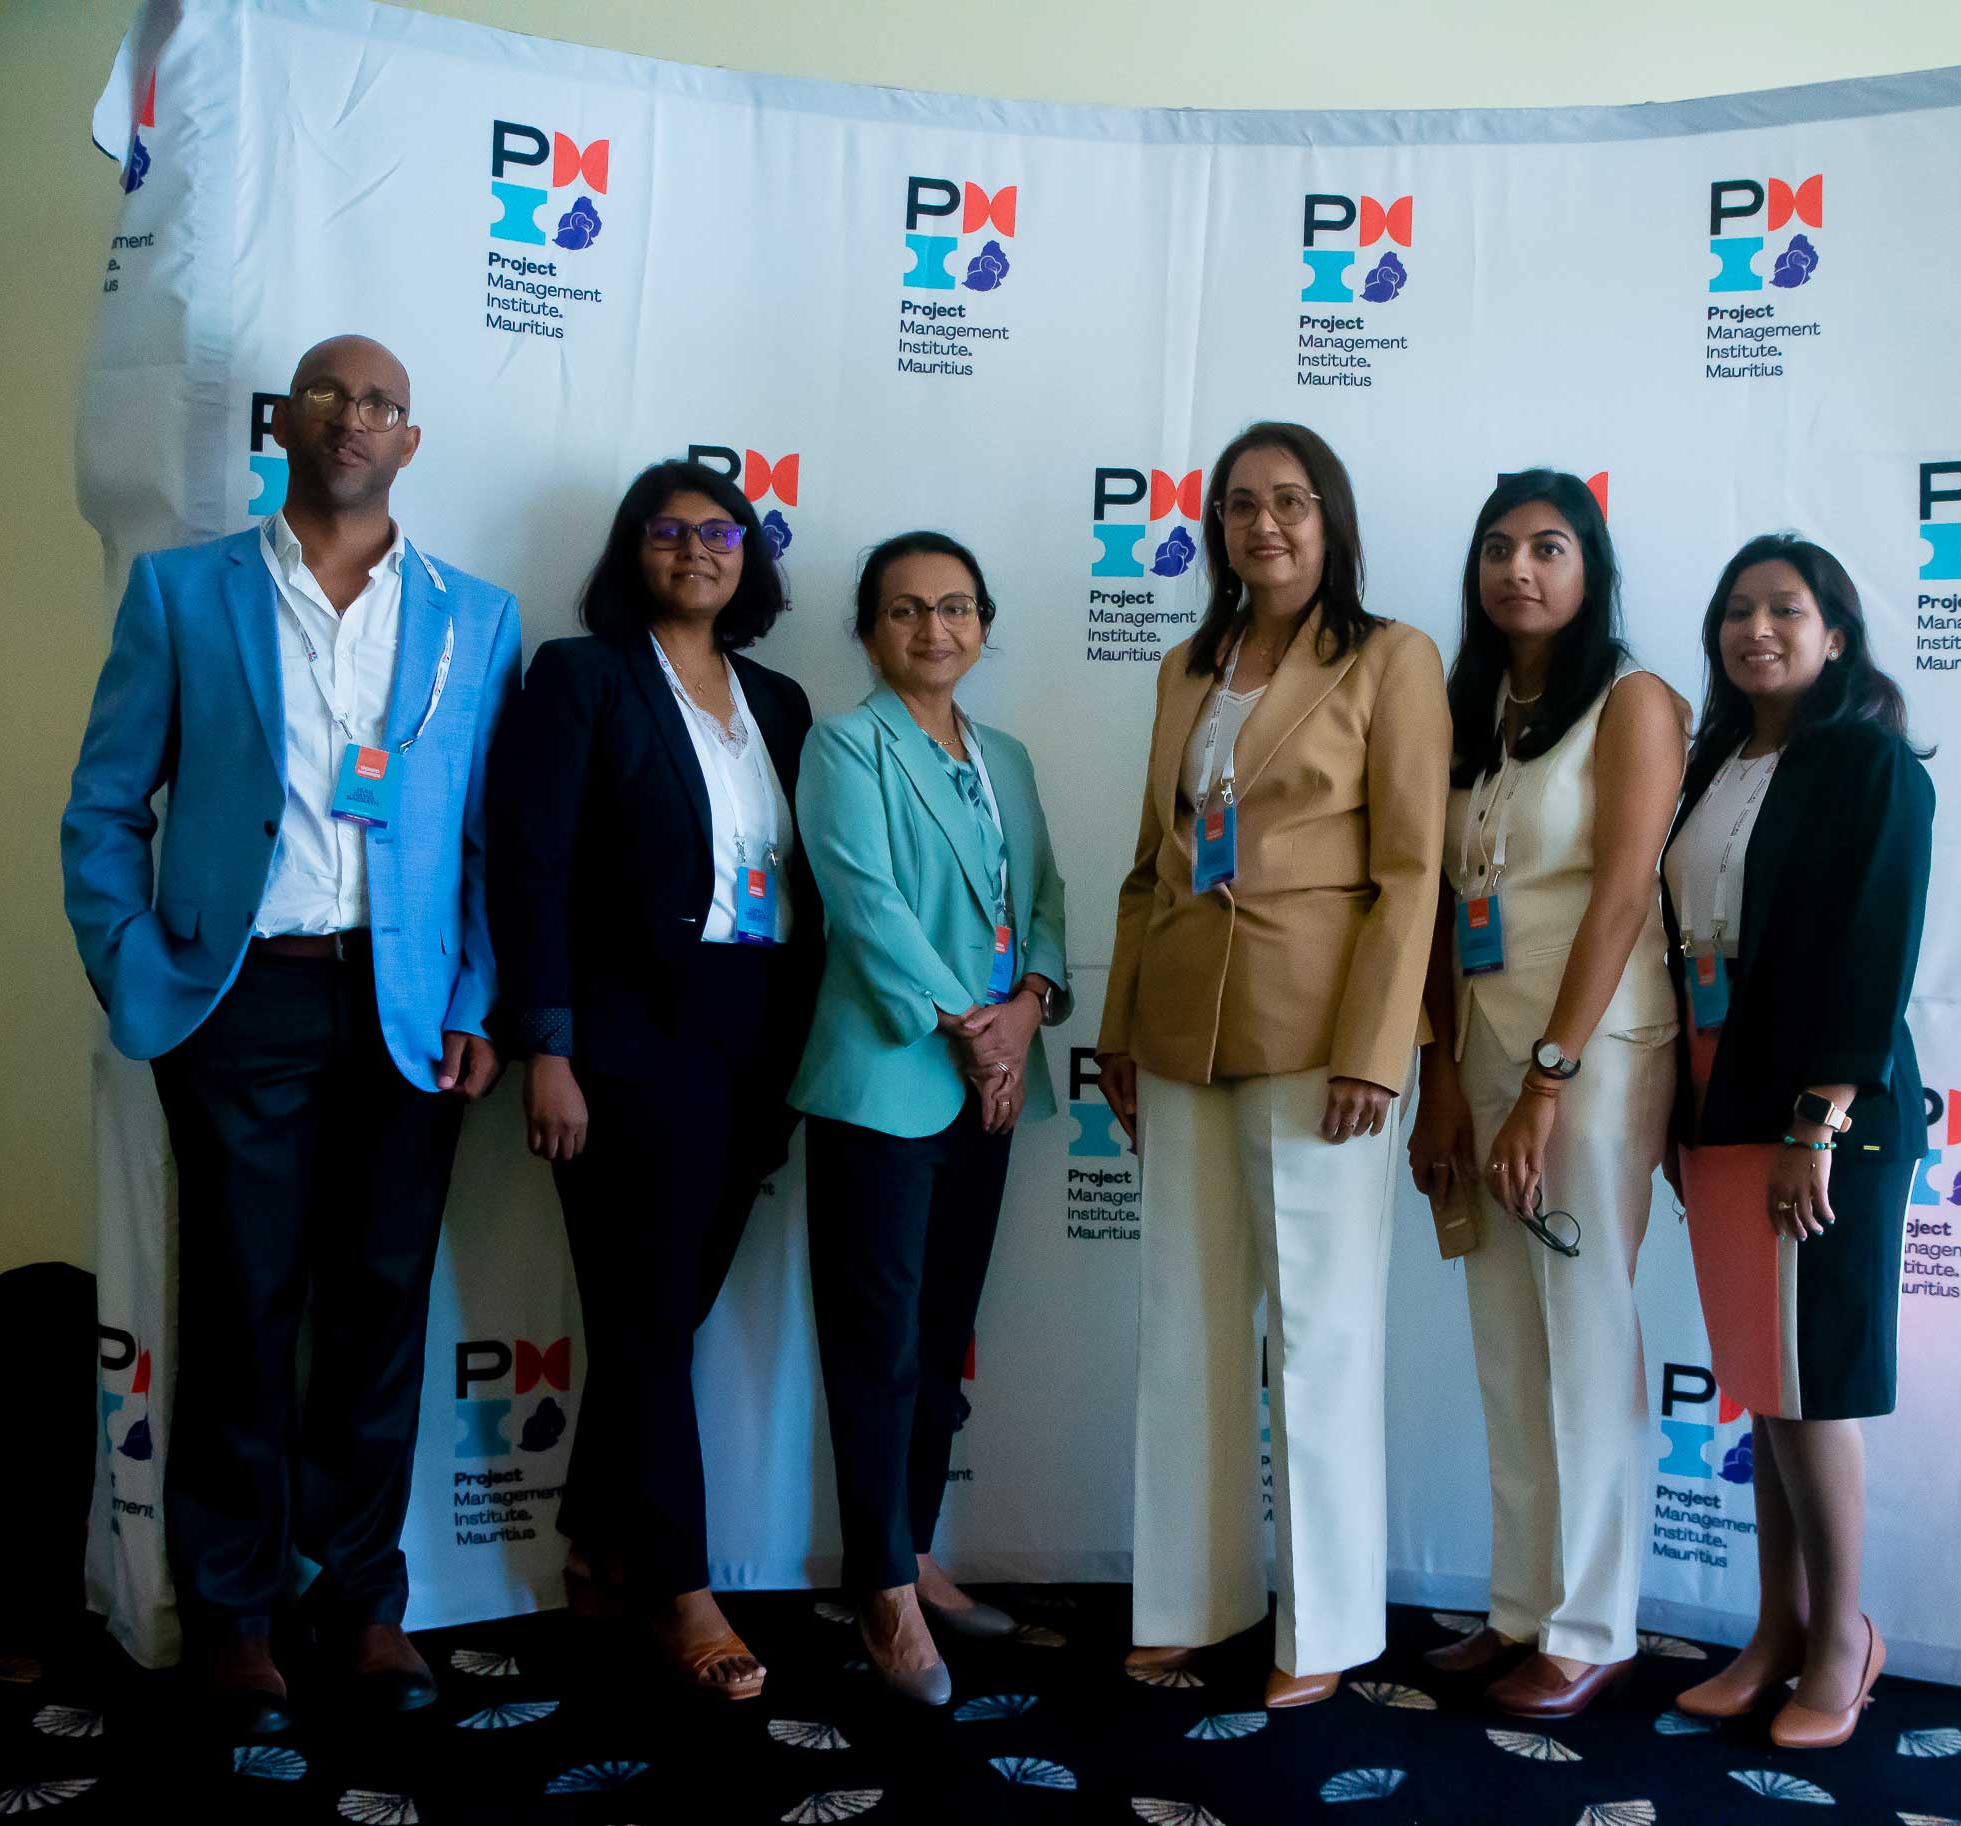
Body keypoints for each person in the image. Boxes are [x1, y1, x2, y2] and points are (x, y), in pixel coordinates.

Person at [61, 335, 522, 1735]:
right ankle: (235, 1615)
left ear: (410, 438)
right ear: (287, 419)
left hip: (404, 1011)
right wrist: (139, 967)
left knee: (380, 1314)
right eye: (328, 392)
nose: (351, 418)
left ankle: (364, 1606)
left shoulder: (472, 617)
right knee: (243, 1308)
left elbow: (497, 840)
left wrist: (471, 1001)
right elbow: (101, 809)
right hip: (239, 997)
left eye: (380, 401)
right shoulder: (183, 590)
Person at [1096, 421, 1449, 1708]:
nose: (1267, 525)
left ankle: (1331, 1623)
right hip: (1182, 1026)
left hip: (1320, 1037)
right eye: (1242, 505)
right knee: (1185, 1324)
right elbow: (1150, 863)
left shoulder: (1394, 657)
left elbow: (1413, 869)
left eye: (1292, 502)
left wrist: (1377, 1047)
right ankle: (1194, 1598)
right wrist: (1120, 1027)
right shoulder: (1188, 666)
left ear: (1331, 518)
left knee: (1321, 1331)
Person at [486, 460, 821, 1701]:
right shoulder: (581, 677)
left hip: (757, 1038)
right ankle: (683, 1590)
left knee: (656, 1320)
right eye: (668, 530)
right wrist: (551, 1044)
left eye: (718, 530)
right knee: (644, 1321)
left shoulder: (780, 700)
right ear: (634, 549)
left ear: (749, 553)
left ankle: (594, 1532)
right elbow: (533, 869)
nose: (696, 548)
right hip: (625, 1045)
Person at [1407, 470, 1686, 1718]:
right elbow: (1443, 902)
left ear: (1591, 567)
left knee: (1580, 1330)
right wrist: (1450, 1081)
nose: (1521, 568)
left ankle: (1592, 1622)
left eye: (1550, 547)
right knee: (1507, 1342)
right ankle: (1522, 1604)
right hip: (1483, 1052)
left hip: (1595, 1055)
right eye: (1500, 547)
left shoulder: (1633, 700)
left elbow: (1625, 895)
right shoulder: (1477, 709)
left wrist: (1549, 1079)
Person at [1660, 533, 1933, 1751]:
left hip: (1823, 1117)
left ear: (1836, 634)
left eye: (1786, 608)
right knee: (1765, 1388)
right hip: (1719, 1102)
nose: (1757, 628)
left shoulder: (1867, 765)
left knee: (1814, 1388)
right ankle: (1772, 1630)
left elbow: (1873, 949)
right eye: (1737, 610)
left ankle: (1843, 1641)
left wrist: (1816, 1121)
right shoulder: (1714, 760)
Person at [790, 533, 1071, 1707]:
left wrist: (1029, 1007)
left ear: (984, 621)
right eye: (906, 611)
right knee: (881, 1344)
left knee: (943, 1330)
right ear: (868, 629)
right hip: (890, 1077)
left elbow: (1045, 895)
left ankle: (914, 1545)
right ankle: (879, 1587)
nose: (934, 630)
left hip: (996, 1076)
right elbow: (866, 904)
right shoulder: (844, 745)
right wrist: (973, 1026)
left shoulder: (1005, 754)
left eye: (956, 608)